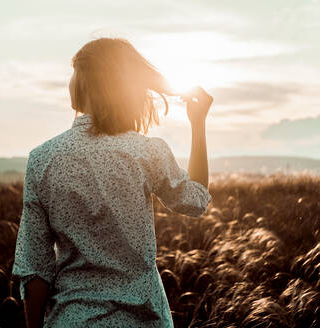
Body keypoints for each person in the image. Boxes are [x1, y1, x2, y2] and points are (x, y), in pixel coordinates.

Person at [12, 37, 213, 328]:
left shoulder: (43, 160)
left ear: (86, 81)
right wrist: (198, 124)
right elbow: (197, 199)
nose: (70, 81)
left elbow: (35, 269)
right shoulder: (147, 152)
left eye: (74, 71)